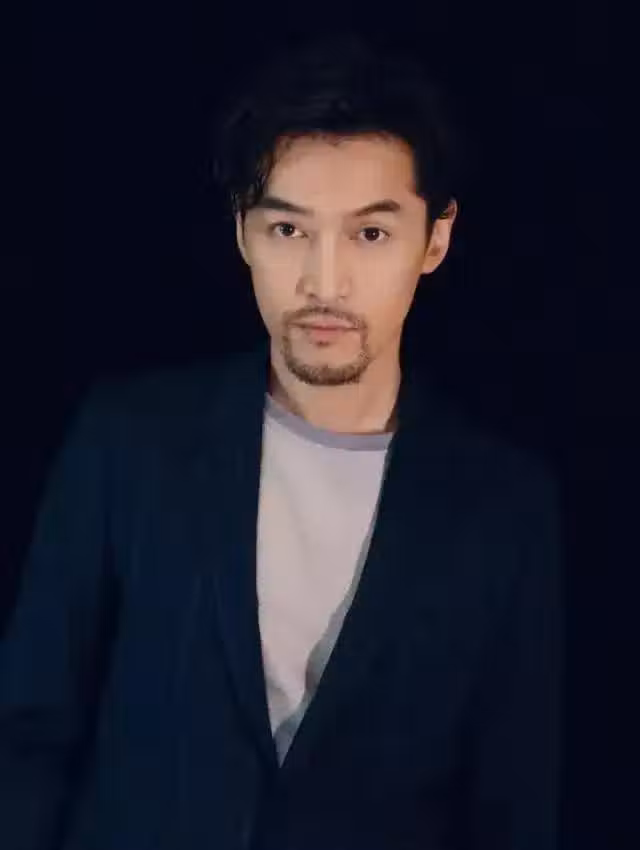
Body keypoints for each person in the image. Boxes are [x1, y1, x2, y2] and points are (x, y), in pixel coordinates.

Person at [0, 32, 563, 850]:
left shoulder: (505, 506)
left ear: (435, 240)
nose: (324, 283)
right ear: (242, 232)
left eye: (370, 234)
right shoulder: (130, 441)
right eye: (289, 230)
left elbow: (512, 809)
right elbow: (27, 735)